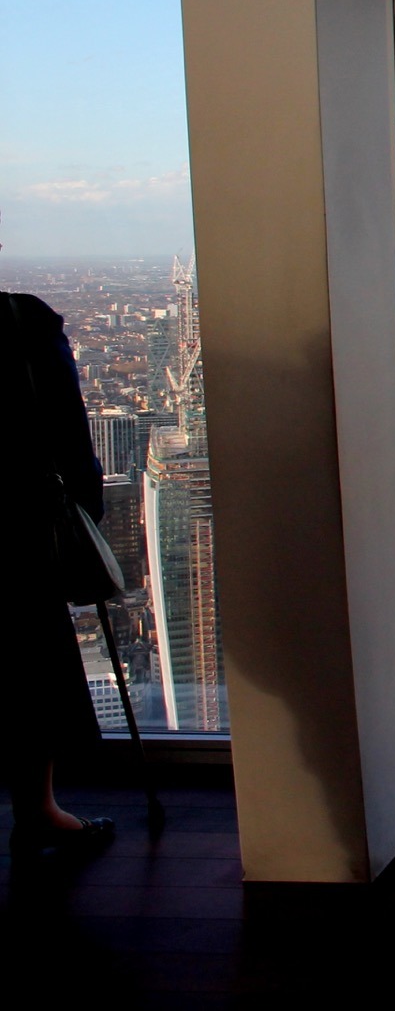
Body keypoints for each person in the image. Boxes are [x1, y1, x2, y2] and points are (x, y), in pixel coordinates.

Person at [2, 279, 115, 859]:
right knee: (29, 665)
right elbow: (69, 434)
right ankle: (37, 809)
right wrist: (85, 518)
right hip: (14, 532)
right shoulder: (22, 323)